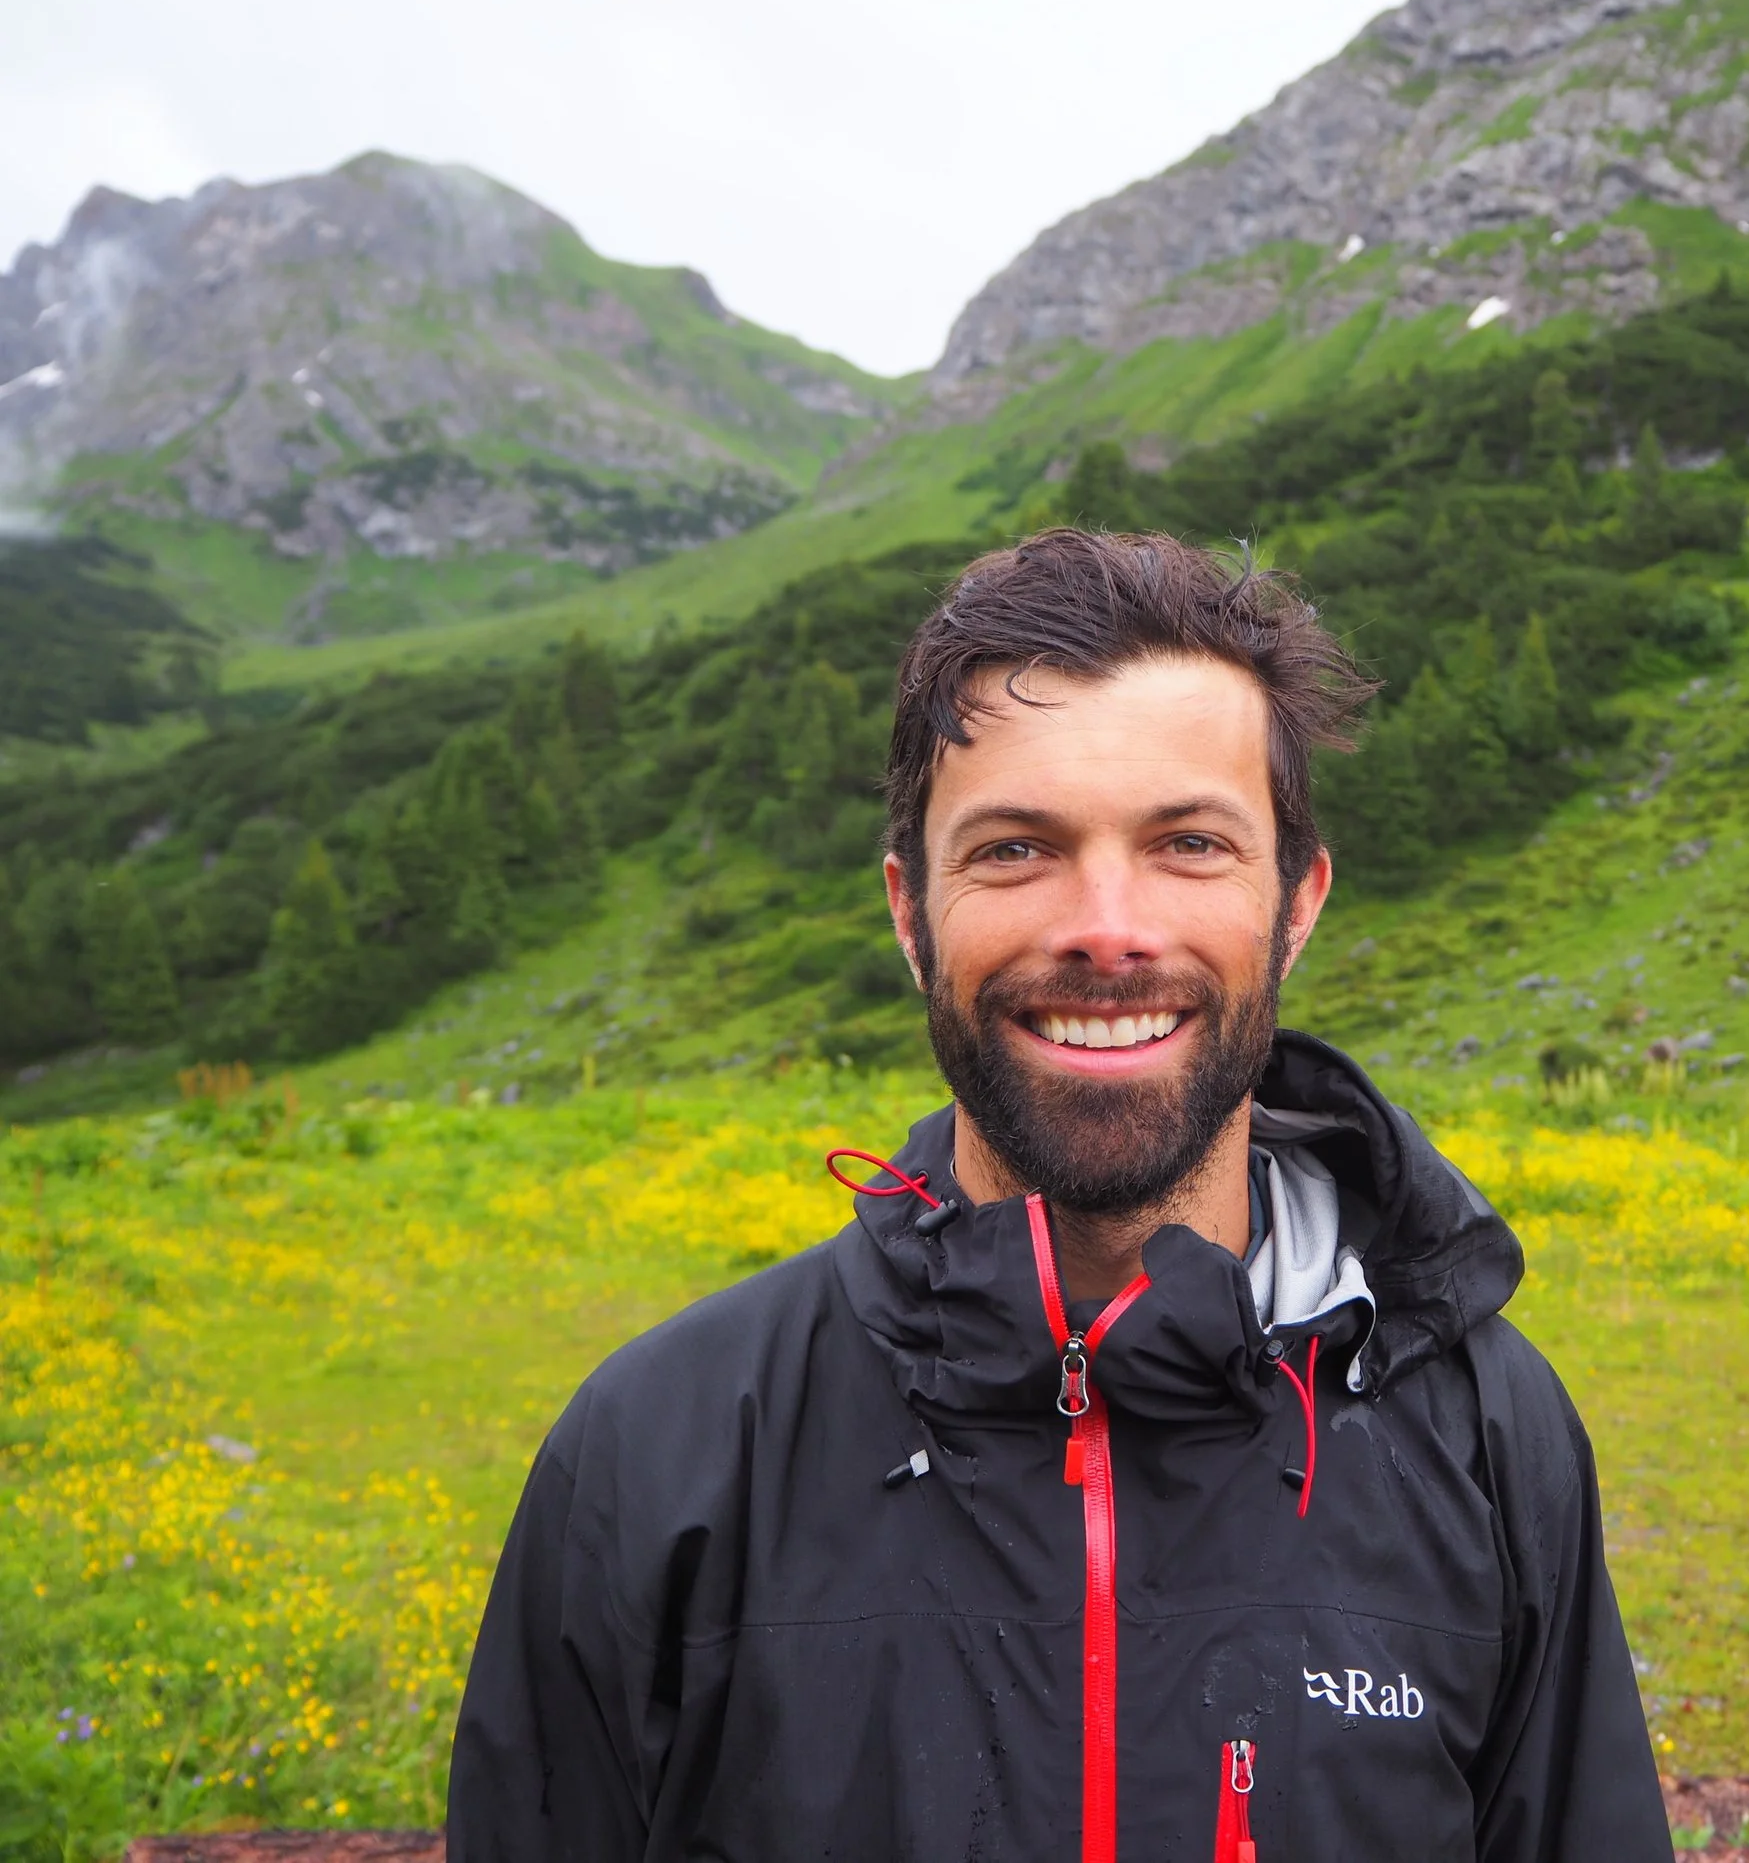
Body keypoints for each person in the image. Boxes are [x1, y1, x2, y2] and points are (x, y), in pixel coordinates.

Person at [447, 529, 1674, 1861]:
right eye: (1018, 848)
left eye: (1190, 842)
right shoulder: (655, 1453)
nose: (1106, 924)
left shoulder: (1493, 1435)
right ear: (911, 914)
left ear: (1297, 905)